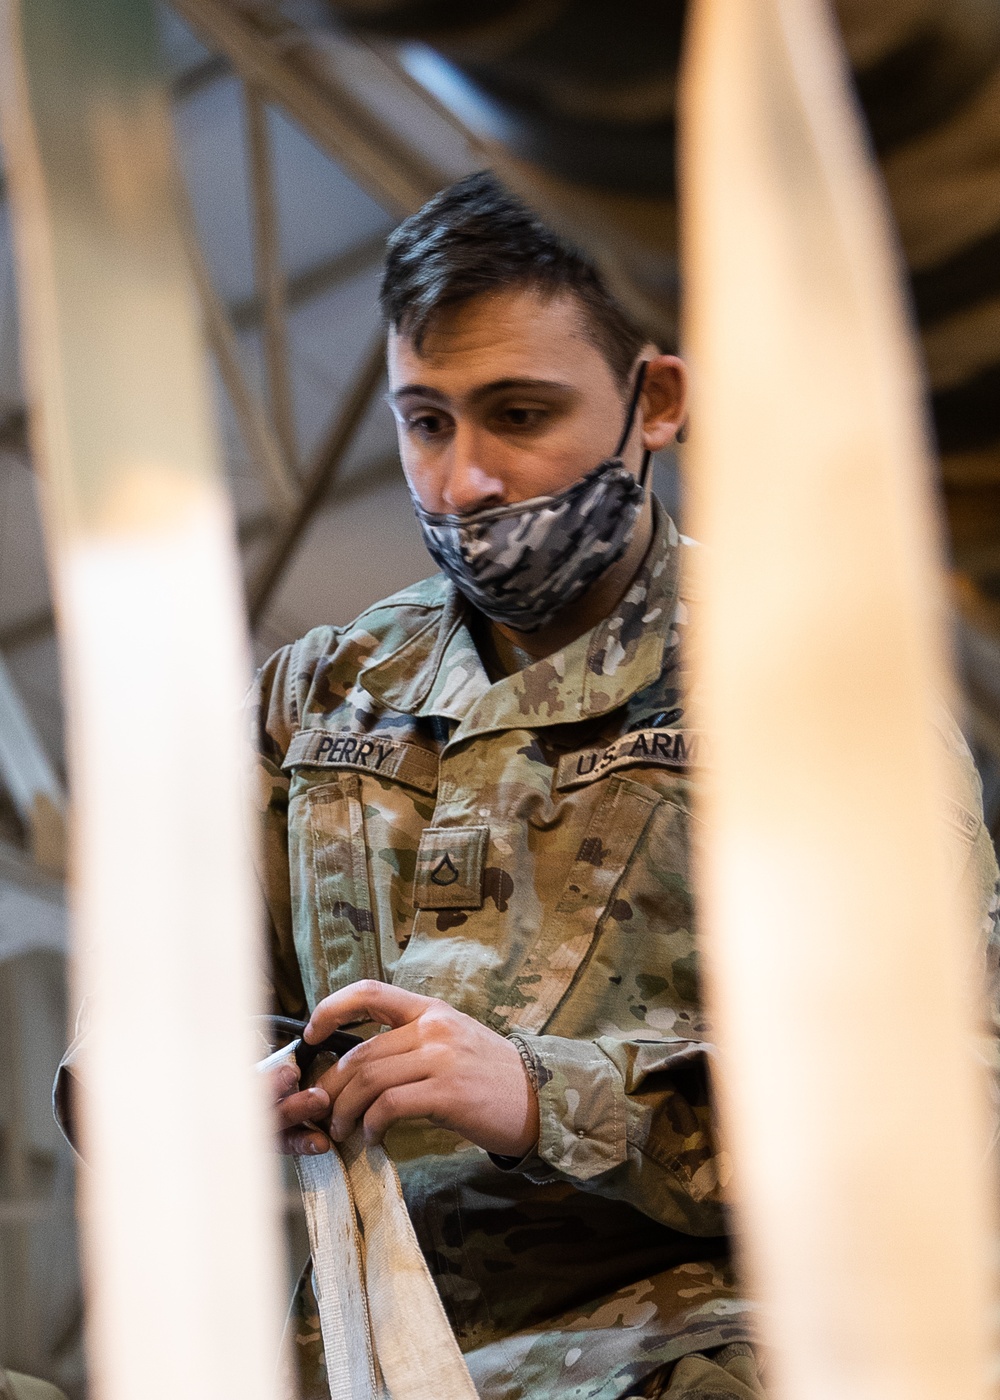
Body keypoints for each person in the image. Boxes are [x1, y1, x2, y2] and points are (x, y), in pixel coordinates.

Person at [249, 172, 1000, 1400]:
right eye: (425, 421)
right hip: (369, 1350)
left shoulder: (813, 686)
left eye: (519, 412)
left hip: (708, 1347)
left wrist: (544, 1095)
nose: (464, 482)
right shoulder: (317, 696)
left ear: (657, 398)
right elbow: (169, 1011)